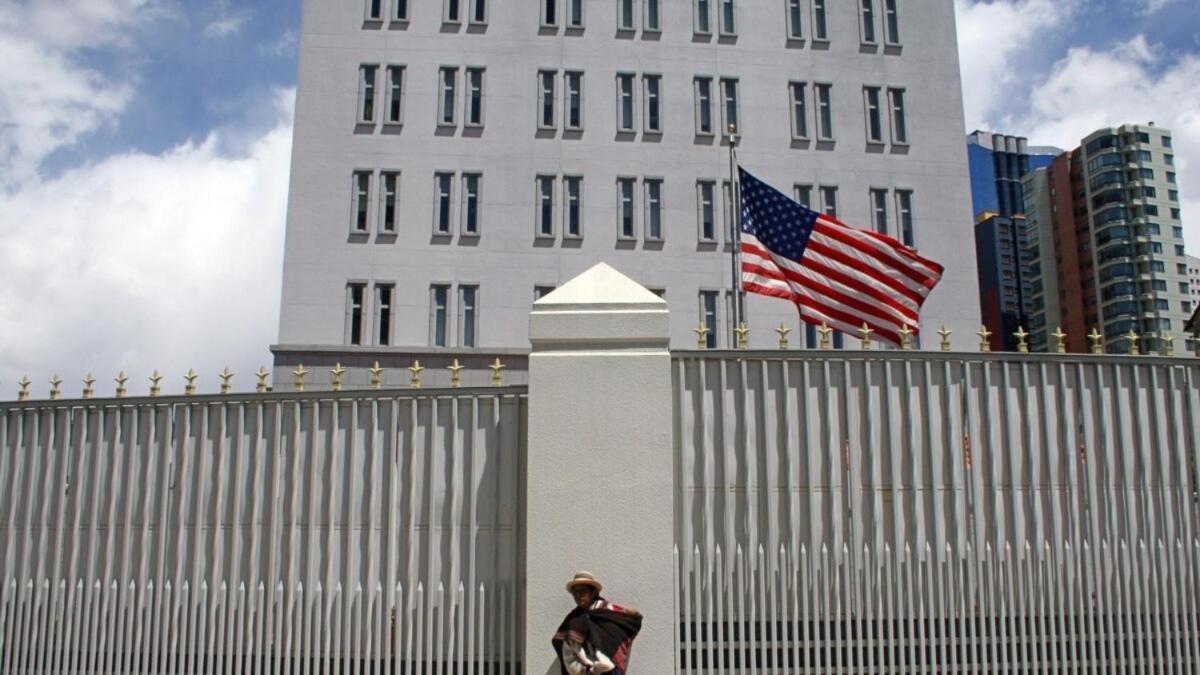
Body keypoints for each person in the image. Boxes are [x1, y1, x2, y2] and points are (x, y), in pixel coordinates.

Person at [552, 571, 642, 675]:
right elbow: (568, 656)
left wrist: (632, 615)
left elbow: (627, 620)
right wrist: (591, 670)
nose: (578, 595)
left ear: (593, 592)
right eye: (575, 592)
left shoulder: (607, 612)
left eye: (583, 591)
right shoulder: (571, 621)